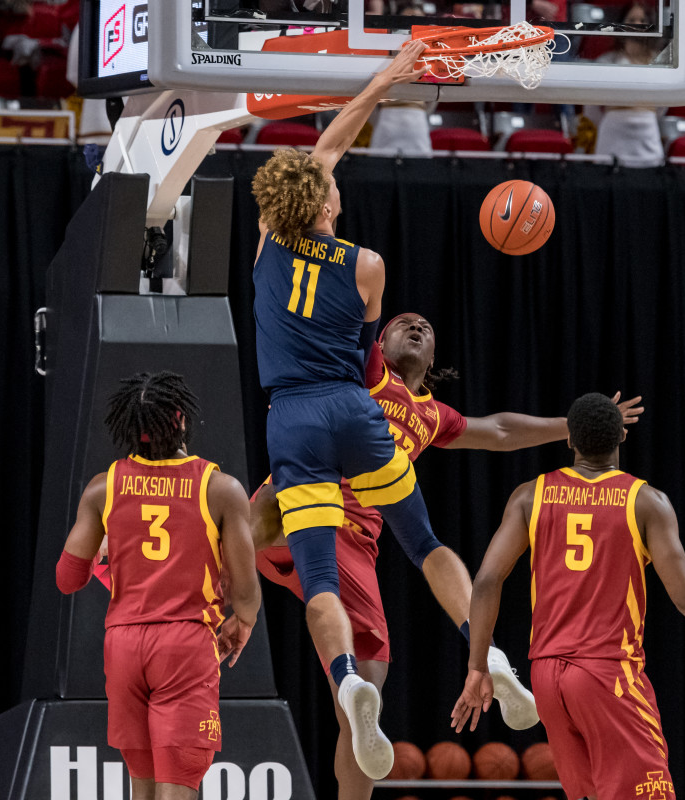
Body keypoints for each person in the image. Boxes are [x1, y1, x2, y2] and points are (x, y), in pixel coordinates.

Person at [251, 313, 643, 800]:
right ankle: (212, 581)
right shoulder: (368, 370)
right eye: (403, 323)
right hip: (307, 504)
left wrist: (578, 426)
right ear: (381, 342)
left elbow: (500, 431)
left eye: (426, 328)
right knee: (271, 506)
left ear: (433, 359)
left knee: (362, 694)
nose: (415, 326)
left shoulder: (432, 415)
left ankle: (358, 704)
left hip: (353, 546)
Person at [248, 40, 477, 781]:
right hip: (353, 416)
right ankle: (476, 645)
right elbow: (360, 342)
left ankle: (329, 664)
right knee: (422, 543)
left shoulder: (267, 244)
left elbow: (329, 144)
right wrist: (388, 78)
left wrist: (374, 85)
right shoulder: (368, 266)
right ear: (323, 205)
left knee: (264, 532)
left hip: (293, 416)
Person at [451, 392, 685, 800]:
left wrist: (478, 664)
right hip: (607, 673)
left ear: (569, 440)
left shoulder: (531, 495)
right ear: (622, 436)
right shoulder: (646, 501)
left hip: (546, 676)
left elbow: (485, 581)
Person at [55, 371, 261, 800]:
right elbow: (244, 590)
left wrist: (105, 553)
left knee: (142, 790)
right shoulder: (220, 489)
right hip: (185, 644)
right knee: (180, 787)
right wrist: (243, 623)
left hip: (124, 646)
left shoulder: (102, 488)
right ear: (182, 419)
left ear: (130, 427)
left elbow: (67, 579)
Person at [583, 2, 670, 165]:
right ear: (621, 25)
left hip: (647, 132)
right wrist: (614, 116)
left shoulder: (659, 63)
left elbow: (663, 105)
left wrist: (643, 113)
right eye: (631, 19)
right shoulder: (606, 61)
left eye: (642, 20)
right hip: (612, 132)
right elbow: (590, 106)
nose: (636, 24)